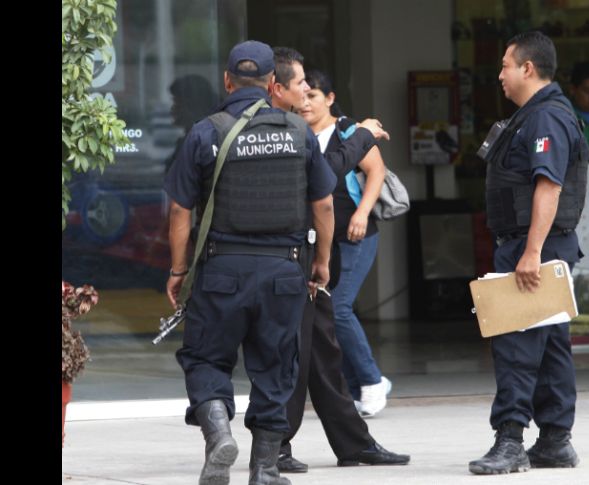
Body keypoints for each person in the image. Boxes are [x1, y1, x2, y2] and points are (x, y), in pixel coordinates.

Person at [164, 40, 336, 485]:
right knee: (276, 367)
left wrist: (179, 270)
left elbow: (180, 210)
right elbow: (323, 204)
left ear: (227, 81)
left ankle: (219, 432)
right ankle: (265, 469)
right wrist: (322, 261)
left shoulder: (206, 132)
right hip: (284, 273)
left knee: (205, 358)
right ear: (272, 83)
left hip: (222, 271)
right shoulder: (298, 133)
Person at [269, 48, 409, 472]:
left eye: (310, 89)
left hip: (315, 255)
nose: (305, 95)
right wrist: (362, 135)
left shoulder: (294, 127)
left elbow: (356, 172)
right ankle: (275, 445)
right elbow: (325, 185)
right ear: (277, 87)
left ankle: (353, 441)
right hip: (299, 256)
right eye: (300, 86)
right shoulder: (283, 129)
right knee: (294, 352)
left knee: (323, 350)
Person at [469, 30, 589, 475]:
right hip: (537, 244)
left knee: (516, 343)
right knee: (552, 344)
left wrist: (532, 251)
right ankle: (555, 439)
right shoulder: (535, 115)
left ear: (528, 68)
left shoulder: (546, 118)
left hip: (535, 245)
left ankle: (510, 440)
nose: (500, 74)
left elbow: (548, 185)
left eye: (505, 65)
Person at [299, 69, 395, 418]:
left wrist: (362, 214)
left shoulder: (348, 131)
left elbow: (376, 170)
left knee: (338, 308)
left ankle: (371, 381)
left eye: (313, 96)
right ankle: (357, 388)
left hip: (356, 237)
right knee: (331, 312)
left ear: (330, 98)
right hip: (321, 240)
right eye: (302, 95)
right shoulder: (299, 136)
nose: (305, 103)